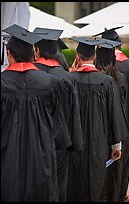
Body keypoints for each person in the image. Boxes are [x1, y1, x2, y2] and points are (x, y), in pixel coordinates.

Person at [1, 24, 72, 202]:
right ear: (33, 53)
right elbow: (58, 125)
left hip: (7, 159)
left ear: (9, 54)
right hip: (42, 158)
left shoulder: (3, 84)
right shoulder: (51, 83)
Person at [67, 37, 128, 202]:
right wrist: (116, 145)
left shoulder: (69, 80)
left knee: (74, 186)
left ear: (77, 56)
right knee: (95, 185)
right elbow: (114, 114)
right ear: (94, 57)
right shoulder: (107, 82)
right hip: (98, 144)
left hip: (74, 144)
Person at [32, 27, 84, 202]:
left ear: (37, 51)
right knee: (59, 187)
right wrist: (75, 144)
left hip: (33, 142)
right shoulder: (67, 78)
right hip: (60, 143)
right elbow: (73, 113)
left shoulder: (30, 75)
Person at [93, 27, 129, 202]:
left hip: (98, 132)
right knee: (121, 171)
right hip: (127, 127)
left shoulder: (96, 73)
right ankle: (120, 195)